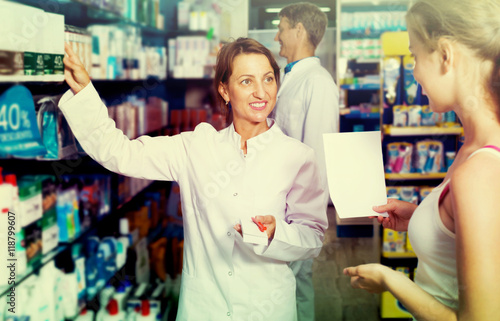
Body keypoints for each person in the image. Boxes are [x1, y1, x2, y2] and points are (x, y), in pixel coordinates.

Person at [61, 37, 328, 320]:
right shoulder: (195, 147)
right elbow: (120, 153)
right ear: (225, 90)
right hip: (204, 308)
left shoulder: (297, 156)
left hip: (269, 308)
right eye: (247, 81)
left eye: (269, 79)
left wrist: (277, 232)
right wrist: (85, 93)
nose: (261, 92)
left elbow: (312, 237)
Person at [343, 0, 500, 320]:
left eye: (415, 56)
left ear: (445, 56)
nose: (413, 73)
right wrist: (425, 218)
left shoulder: (479, 171)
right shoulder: (473, 147)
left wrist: (391, 279)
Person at [271, 3, 339, 320]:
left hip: (297, 208)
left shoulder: (318, 82)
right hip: (278, 200)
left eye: (282, 27)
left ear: (299, 30)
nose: (277, 35)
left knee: (298, 281)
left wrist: (307, 218)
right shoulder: (291, 78)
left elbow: (317, 157)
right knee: (286, 281)